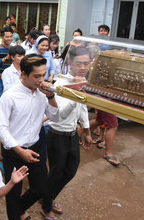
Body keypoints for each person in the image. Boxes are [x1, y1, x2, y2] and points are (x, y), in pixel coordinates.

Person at [0, 54, 59, 220]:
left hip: (36, 147)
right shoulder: (9, 96)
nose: (41, 80)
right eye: (36, 76)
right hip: (14, 150)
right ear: (23, 74)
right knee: (13, 192)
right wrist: (19, 150)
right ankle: (16, 214)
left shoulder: (43, 94)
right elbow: (1, 128)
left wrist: (51, 96)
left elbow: (55, 118)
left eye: (43, 75)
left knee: (41, 188)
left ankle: (20, 209)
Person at [45, 46, 93, 216]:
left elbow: (83, 108)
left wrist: (87, 132)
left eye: (86, 63)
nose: (82, 67)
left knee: (70, 170)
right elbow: (58, 115)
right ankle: (46, 205)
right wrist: (75, 95)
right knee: (56, 172)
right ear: (70, 62)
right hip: (57, 134)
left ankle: (49, 196)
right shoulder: (61, 84)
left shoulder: (82, 82)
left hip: (72, 134)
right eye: (79, 63)